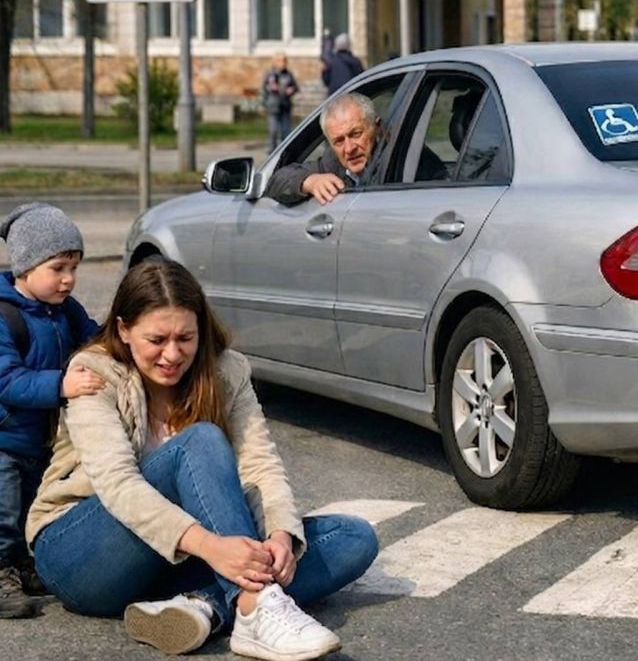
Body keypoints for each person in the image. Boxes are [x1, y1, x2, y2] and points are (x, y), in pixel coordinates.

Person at [26, 259, 378, 658]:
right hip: (81, 554)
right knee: (201, 441)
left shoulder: (227, 372)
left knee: (351, 538)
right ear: (124, 330)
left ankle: (203, 606)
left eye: (185, 338)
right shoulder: (93, 372)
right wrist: (214, 548)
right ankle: (251, 605)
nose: (172, 354)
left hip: (172, 560)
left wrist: (280, 534)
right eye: (157, 339)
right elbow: (118, 486)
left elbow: (259, 464)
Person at [0, 202, 102, 619]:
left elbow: (95, 337)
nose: (68, 280)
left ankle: (24, 565)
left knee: (31, 508)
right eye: (58, 268)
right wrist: (61, 385)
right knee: (3, 514)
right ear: (25, 266)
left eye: (74, 268)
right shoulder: (5, 316)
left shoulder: (64, 310)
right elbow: (6, 380)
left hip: (44, 440)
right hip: (5, 441)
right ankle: (1, 573)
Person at [265, 92, 383, 206]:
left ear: (377, 127)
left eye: (356, 134)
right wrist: (308, 182)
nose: (349, 148)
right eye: (339, 141)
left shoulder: (396, 159)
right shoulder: (331, 164)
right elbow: (276, 182)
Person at [262, 53, 299, 152]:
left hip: (285, 105)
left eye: (284, 61)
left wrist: (292, 89)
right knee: (273, 130)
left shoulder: (288, 74)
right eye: (280, 61)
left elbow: (295, 87)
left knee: (285, 131)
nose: (283, 63)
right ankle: (272, 151)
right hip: (273, 106)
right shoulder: (270, 74)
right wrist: (265, 101)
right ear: (275, 62)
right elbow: (264, 89)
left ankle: (284, 151)